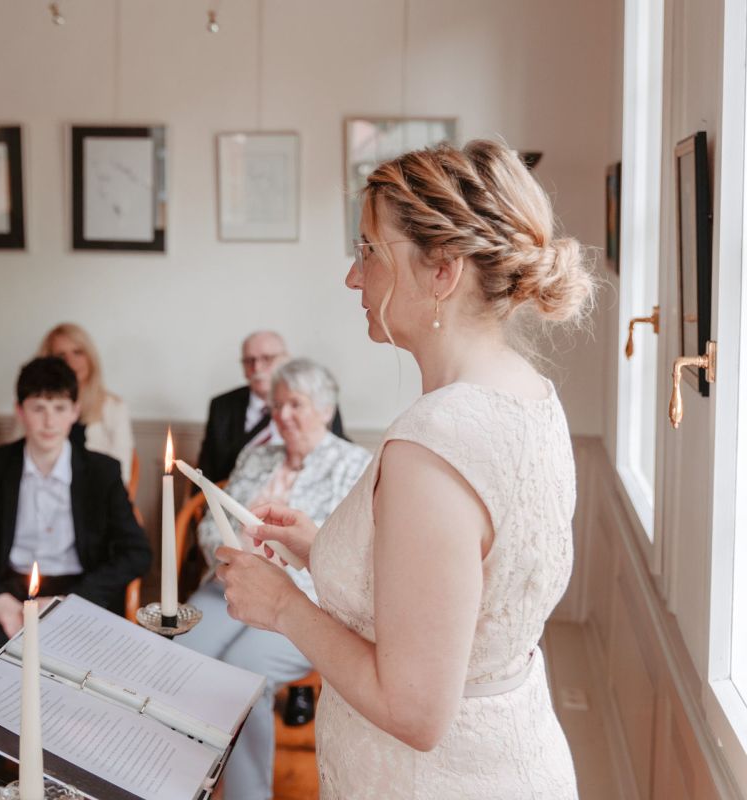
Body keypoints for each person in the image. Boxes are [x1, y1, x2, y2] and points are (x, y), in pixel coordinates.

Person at [216, 140, 592, 798]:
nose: (352, 277)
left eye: (368, 250)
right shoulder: (530, 393)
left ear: (442, 270)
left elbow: (415, 710)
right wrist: (321, 548)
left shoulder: (433, 445)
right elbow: (468, 589)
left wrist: (283, 606)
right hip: (515, 755)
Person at [180, 358, 369, 800]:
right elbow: (208, 525)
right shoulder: (257, 456)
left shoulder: (354, 464)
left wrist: (280, 556)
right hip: (229, 583)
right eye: (277, 406)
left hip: (305, 599)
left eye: (295, 404)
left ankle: (246, 794)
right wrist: (234, 547)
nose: (283, 415)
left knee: (244, 672)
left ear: (325, 409)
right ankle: (180, 783)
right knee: (181, 654)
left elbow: (347, 552)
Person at [0, 357, 151, 649]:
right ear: (20, 411)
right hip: (10, 592)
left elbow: (137, 552)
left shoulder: (102, 471)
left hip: (80, 591)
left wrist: (72, 601)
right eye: (38, 408)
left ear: (75, 411)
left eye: (59, 408)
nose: (49, 422)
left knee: (83, 664)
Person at [197, 331, 346, 486]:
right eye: (249, 360)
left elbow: (336, 453)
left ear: (287, 360)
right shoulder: (221, 406)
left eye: (267, 358)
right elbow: (206, 470)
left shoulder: (318, 402)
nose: (257, 367)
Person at [38, 323, 134, 487]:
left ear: (90, 357)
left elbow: (122, 473)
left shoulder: (114, 406)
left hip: (97, 492)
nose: (70, 362)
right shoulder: (36, 407)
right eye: (61, 356)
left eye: (78, 352)